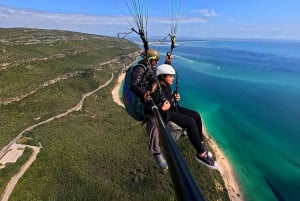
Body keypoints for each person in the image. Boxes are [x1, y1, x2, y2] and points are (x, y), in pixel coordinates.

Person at [147, 64, 218, 170]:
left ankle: (201, 143)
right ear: (162, 76)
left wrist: (174, 97)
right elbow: (148, 109)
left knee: (196, 115)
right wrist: (161, 109)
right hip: (166, 114)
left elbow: (167, 97)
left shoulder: (166, 87)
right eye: (170, 76)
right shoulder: (156, 90)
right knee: (190, 122)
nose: (172, 78)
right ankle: (201, 154)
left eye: (172, 76)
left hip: (172, 109)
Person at [130, 49, 168, 170]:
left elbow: (159, 76)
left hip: (150, 96)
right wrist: (143, 94)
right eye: (155, 60)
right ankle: (156, 151)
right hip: (142, 101)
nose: (157, 62)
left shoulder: (151, 68)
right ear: (150, 59)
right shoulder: (140, 68)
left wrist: (168, 63)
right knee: (153, 119)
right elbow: (133, 85)